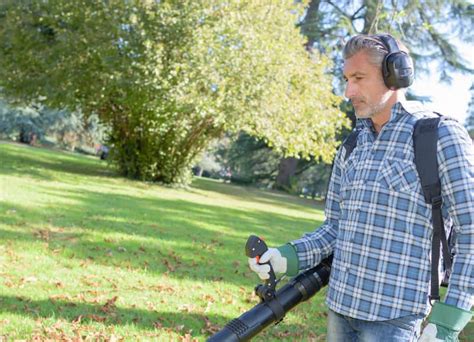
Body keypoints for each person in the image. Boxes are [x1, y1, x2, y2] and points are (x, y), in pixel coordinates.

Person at [248, 33, 473, 342]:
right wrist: (285, 256)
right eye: (345, 78)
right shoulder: (354, 144)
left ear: (395, 74)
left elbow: (471, 231)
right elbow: (334, 228)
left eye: (358, 78)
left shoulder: (439, 136)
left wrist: (448, 323)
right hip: (340, 310)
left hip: (395, 318)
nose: (347, 91)